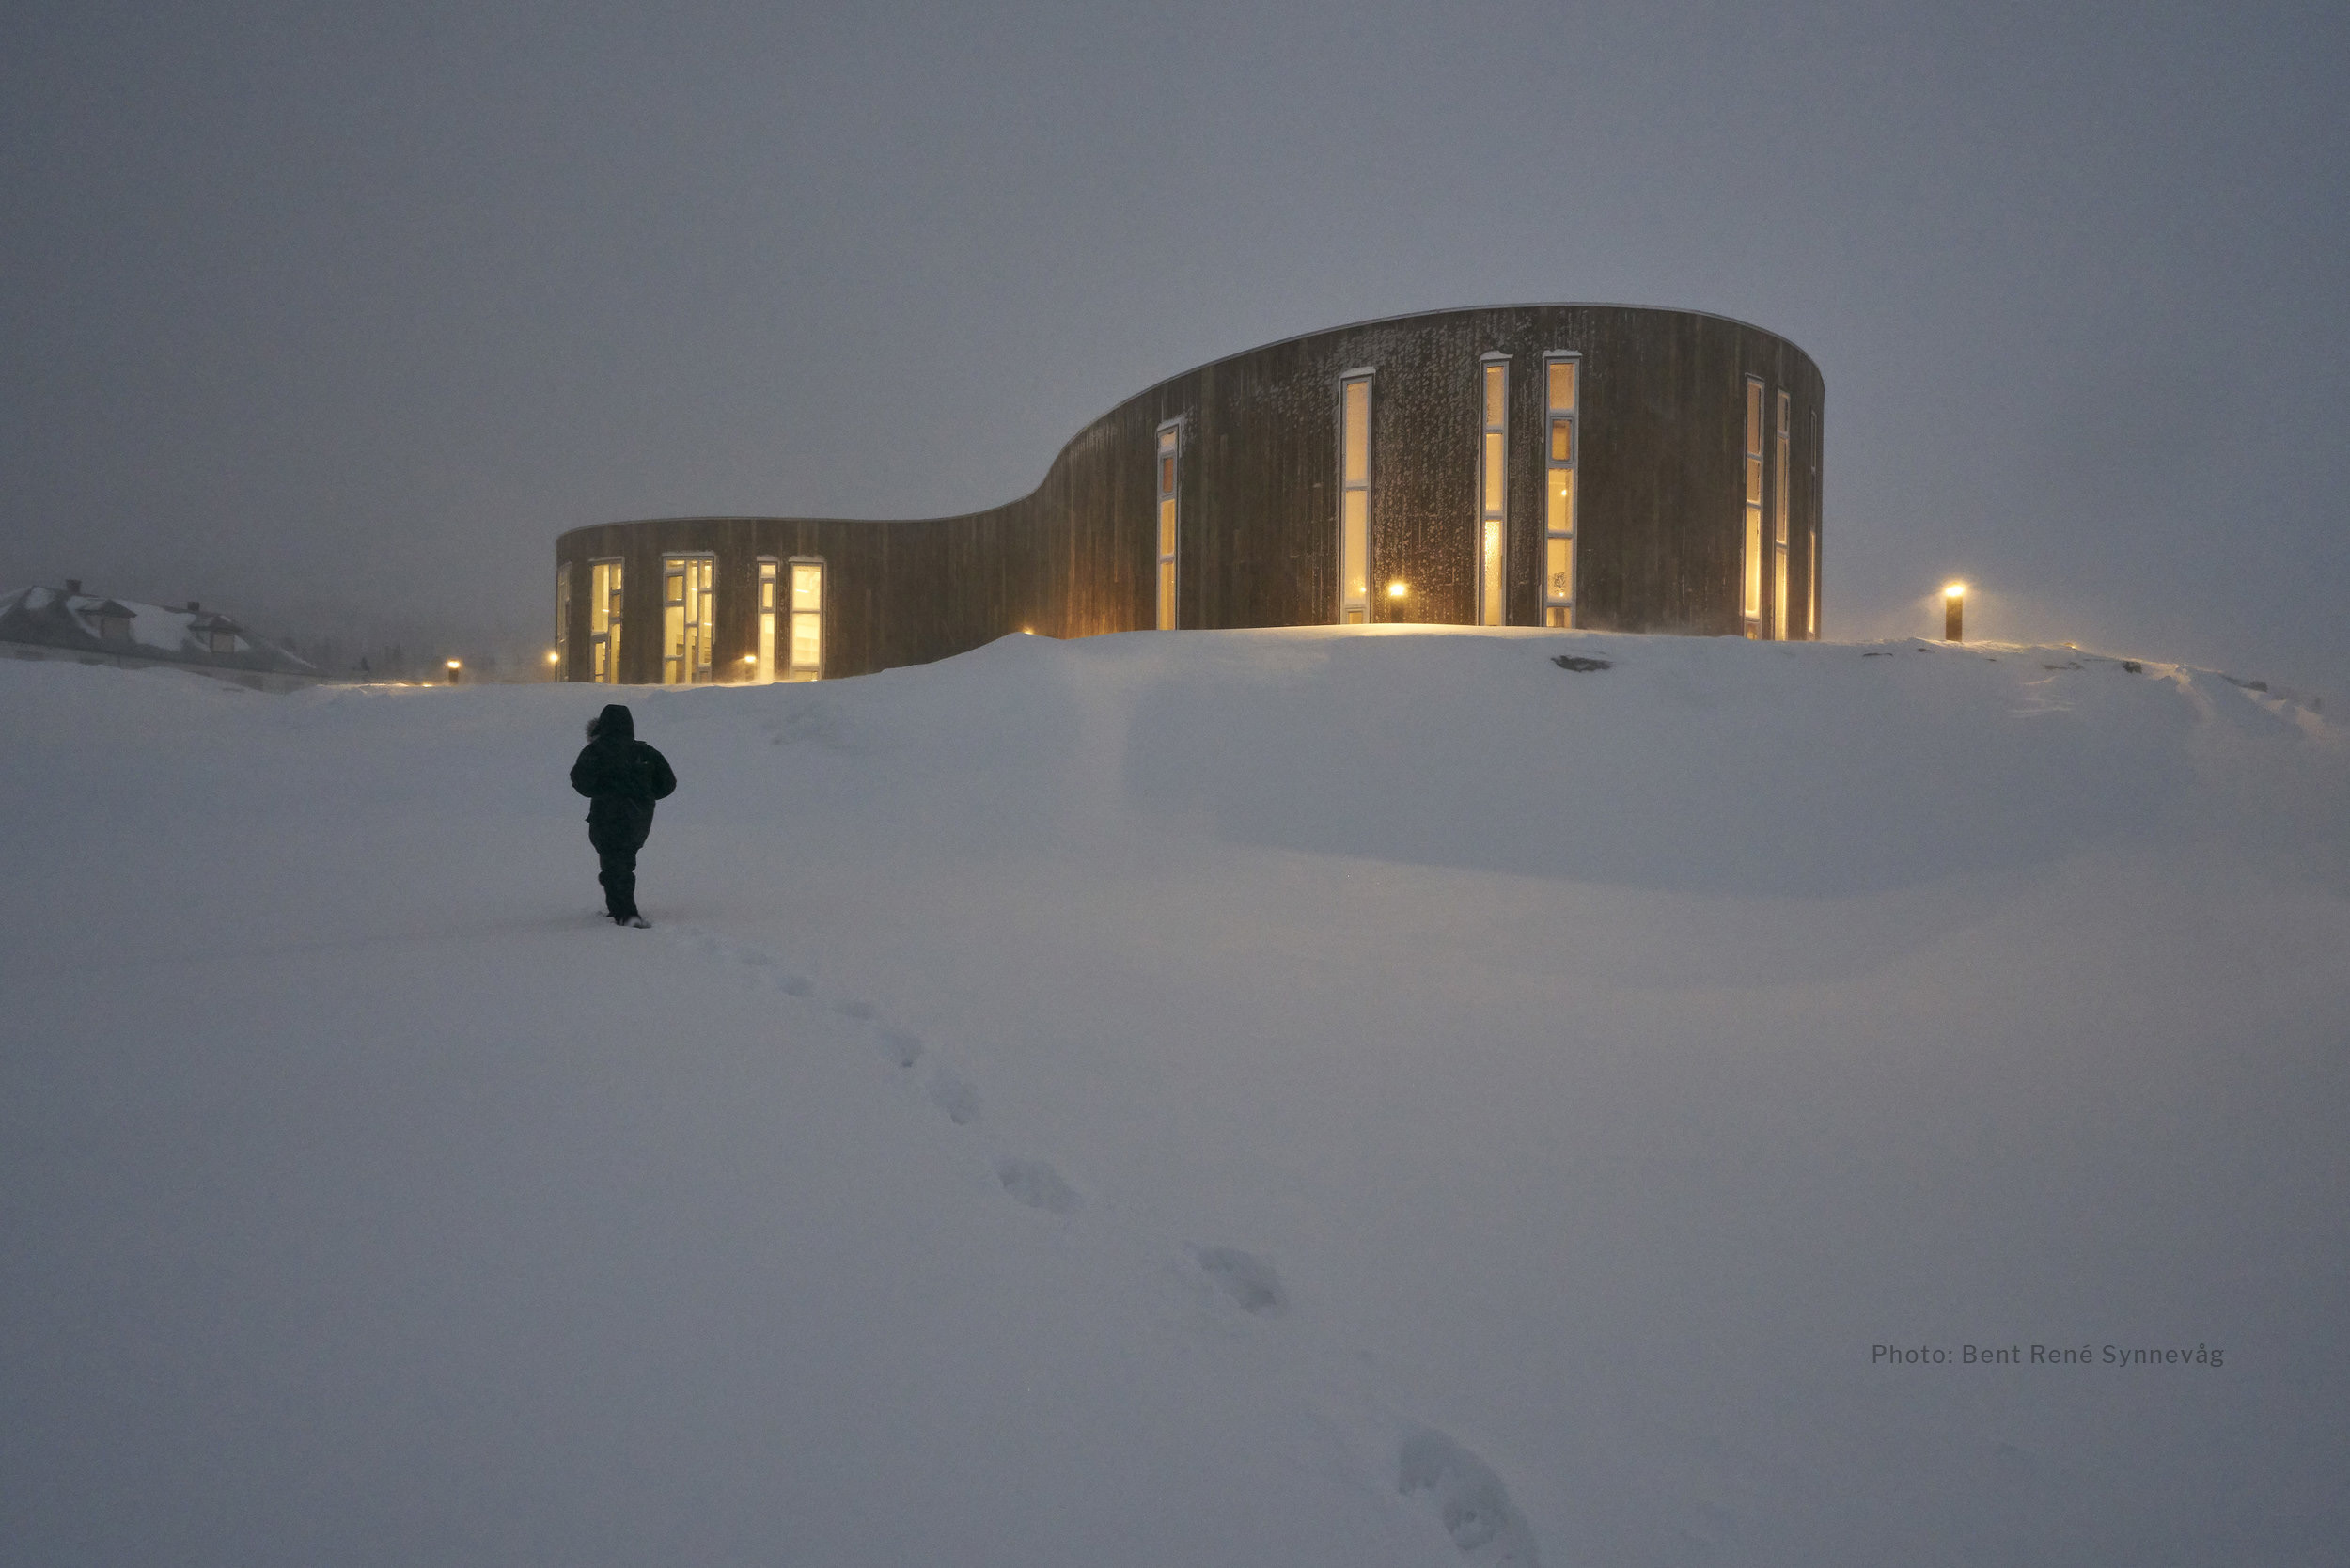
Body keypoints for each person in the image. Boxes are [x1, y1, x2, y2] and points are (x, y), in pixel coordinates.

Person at [569, 703, 676, 927]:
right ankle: (618, 907)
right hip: (640, 817)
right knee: (623, 860)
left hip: (606, 815)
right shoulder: (645, 752)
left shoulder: (595, 751)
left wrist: (603, 790)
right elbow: (668, 783)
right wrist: (645, 796)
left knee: (613, 862)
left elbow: (580, 782)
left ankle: (627, 914)